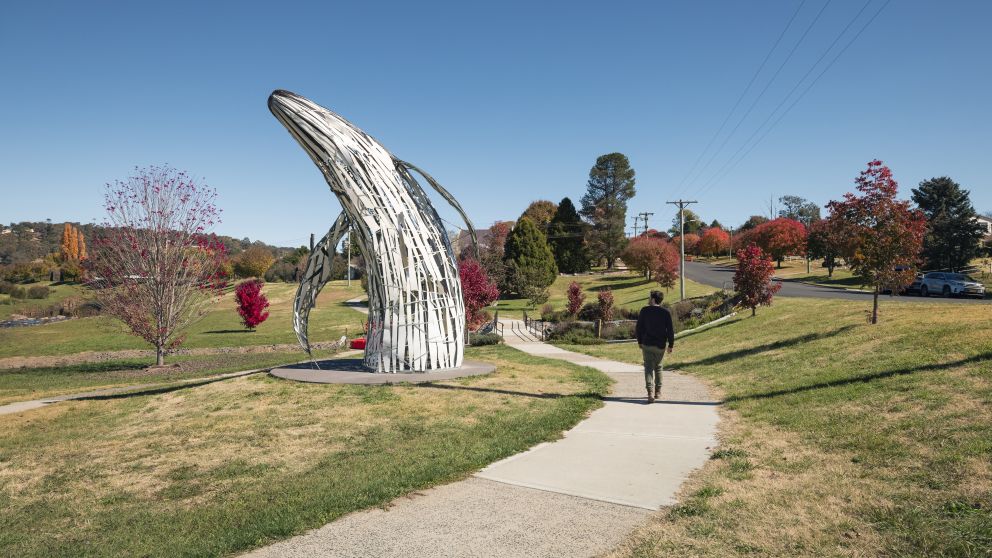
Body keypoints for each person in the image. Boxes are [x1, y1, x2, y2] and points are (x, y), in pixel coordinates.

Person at [635, 290, 674, 403]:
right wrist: (670, 344)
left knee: (648, 368)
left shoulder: (644, 310)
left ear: (652, 299)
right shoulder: (665, 312)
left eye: (649, 297)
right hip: (660, 345)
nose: (648, 299)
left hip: (647, 344)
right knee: (658, 367)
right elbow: (670, 330)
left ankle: (650, 392)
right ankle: (658, 392)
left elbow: (639, 328)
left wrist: (639, 341)